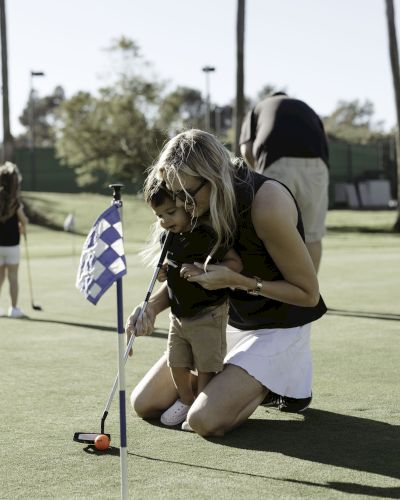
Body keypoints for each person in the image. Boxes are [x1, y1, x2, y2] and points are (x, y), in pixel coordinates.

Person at [125, 129, 327, 437]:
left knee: (203, 420)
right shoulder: (199, 203)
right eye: (176, 195)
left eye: (188, 195)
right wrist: (151, 306)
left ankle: (275, 384)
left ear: (214, 176)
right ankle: (234, 383)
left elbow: (308, 294)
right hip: (224, 322)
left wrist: (237, 280)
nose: (183, 205)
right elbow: (190, 274)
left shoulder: (266, 203)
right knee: (145, 403)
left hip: (278, 326)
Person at [145, 183, 243, 429]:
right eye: (159, 216)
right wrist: (166, 273)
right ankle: (188, 400)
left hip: (208, 313)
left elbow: (235, 265)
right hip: (179, 315)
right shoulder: (167, 237)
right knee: (176, 362)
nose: (165, 221)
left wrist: (203, 270)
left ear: (187, 206)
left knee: (206, 366)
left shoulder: (206, 235)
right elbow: (176, 267)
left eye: (170, 213)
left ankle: (202, 404)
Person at [239, 92, 329, 273]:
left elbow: (246, 148)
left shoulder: (258, 108)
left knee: (272, 232)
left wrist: (258, 176)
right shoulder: (306, 108)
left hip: (276, 163)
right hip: (318, 166)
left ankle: (277, 293)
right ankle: (309, 296)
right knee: (312, 235)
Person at [0, 162, 28, 318]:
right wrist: (21, 224)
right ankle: (14, 308)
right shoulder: (15, 203)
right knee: (13, 277)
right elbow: (24, 221)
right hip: (12, 247)